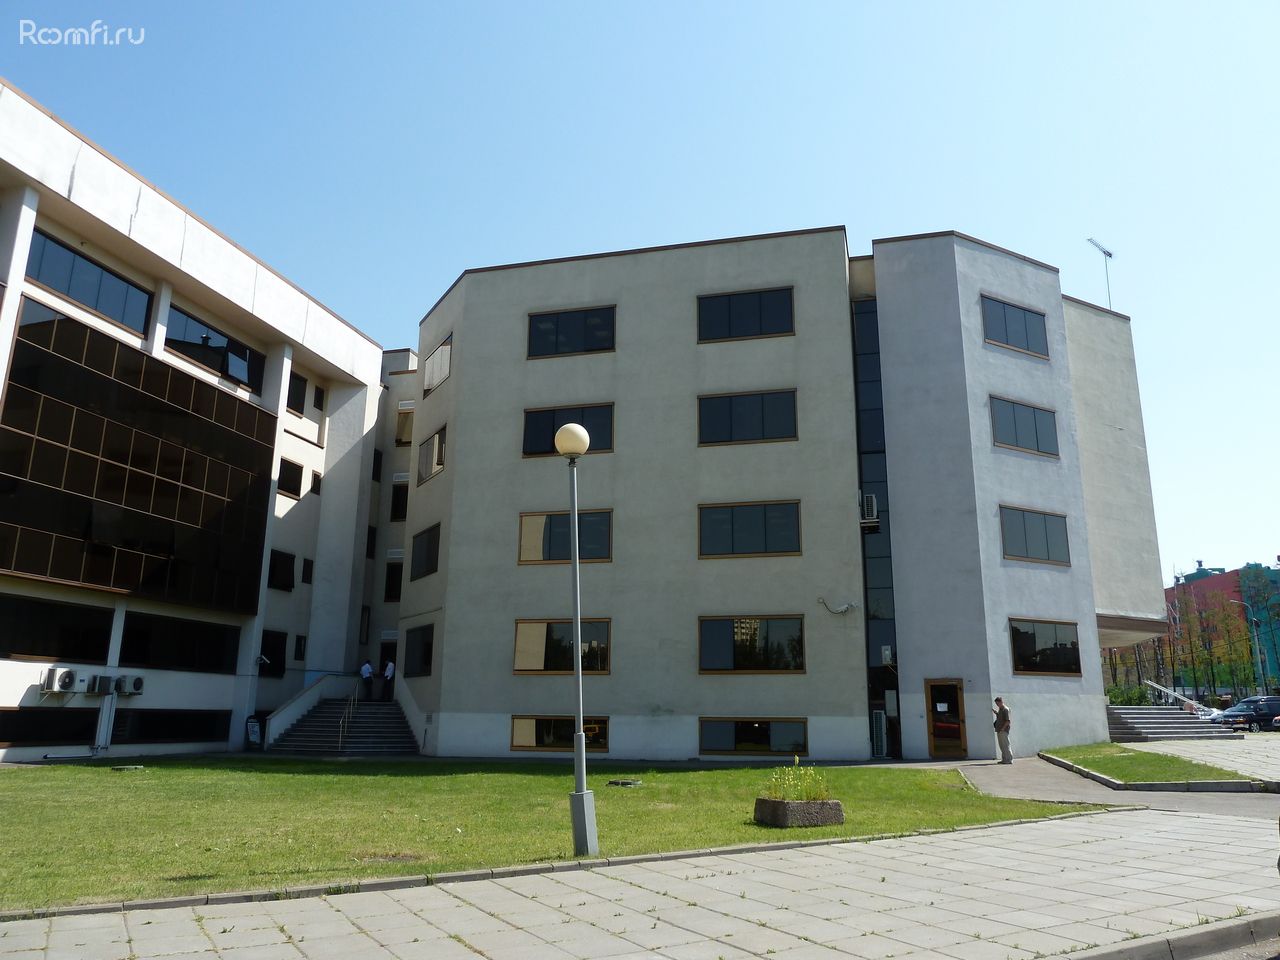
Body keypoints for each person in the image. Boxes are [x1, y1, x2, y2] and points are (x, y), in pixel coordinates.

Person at [993, 697, 1012, 763]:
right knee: (1002, 745)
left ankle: (1009, 760)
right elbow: (1001, 718)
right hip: (999, 730)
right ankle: (1004, 759)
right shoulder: (1000, 709)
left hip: (1003, 730)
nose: (997, 705)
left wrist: (1002, 729)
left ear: (1001, 702)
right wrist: (996, 713)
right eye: (996, 704)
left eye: (997, 703)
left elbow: (1008, 721)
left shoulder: (1005, 709)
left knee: (1006, 745)